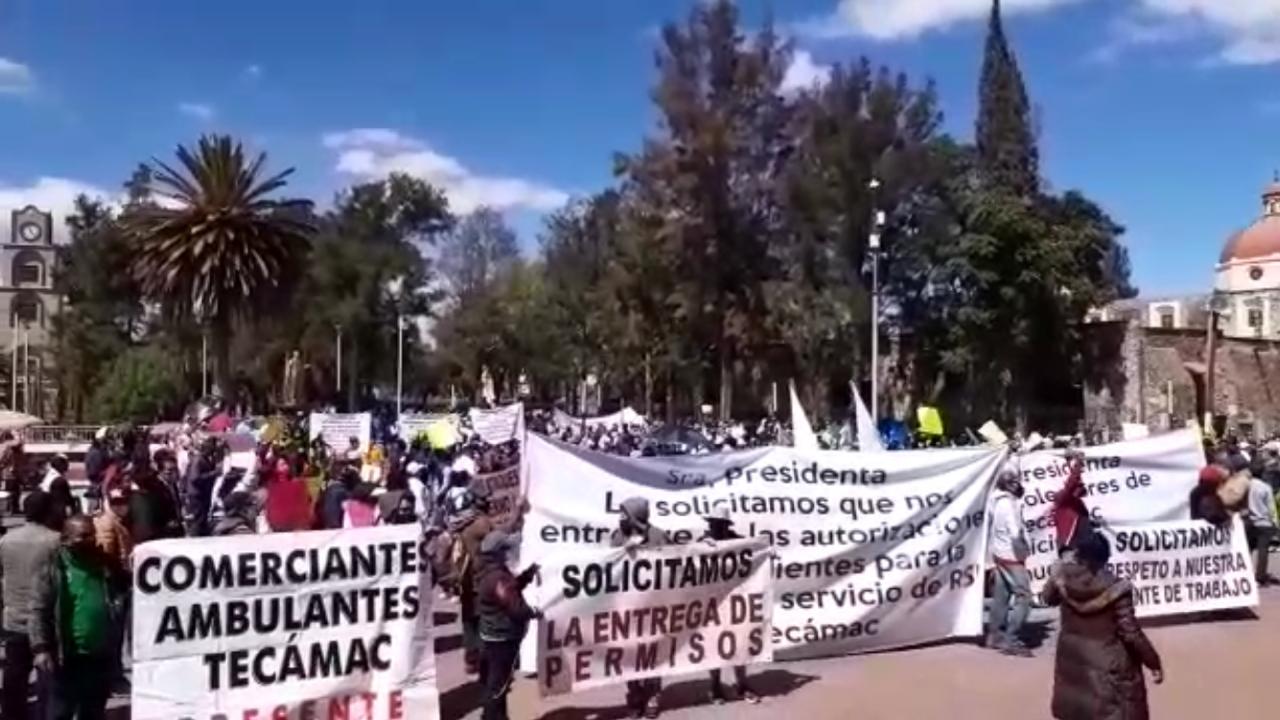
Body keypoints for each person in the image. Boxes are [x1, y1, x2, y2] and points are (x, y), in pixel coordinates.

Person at [1042, 532, 1164, 720]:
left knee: (1079, 710)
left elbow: (1047, 598)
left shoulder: (1063, 577)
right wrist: (1152, 661)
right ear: (1105, 557)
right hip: (1108, 664)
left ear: (1077, 554)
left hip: (1074, 660)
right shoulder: (1117, 589)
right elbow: (1130, 632)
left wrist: (1061, 568)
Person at [31, 515, 117, 720]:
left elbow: (124, 588)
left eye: (92, 535)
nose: (91, 540)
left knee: (94, 710)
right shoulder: (53, 567)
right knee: (60, 712)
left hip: (98, 655)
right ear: (67, 538)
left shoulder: (103, 563)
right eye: (83, 536)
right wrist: (41, 648)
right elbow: (38, 610)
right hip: (66, 657)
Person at [0, 491, 63, 719]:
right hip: (46, 621)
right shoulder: (55, 541)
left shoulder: (7, 540)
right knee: (48, 677)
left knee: (14, 676)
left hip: (14, 618)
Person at [610, 497, 667, 718]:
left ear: (635, 515)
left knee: (652, 653)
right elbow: (608, 565)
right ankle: (635, 695)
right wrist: (623, 551)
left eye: (624, 513)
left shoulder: (658, 536)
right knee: (628, 655)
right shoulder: (617, 536)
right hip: (625, 607)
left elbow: (678, 562)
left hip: (653, 606)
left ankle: (652, 695)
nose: (620, 518)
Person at [699, 503, 760, 704]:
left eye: (719, 524)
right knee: (714, 646)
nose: (716, 528)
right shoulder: (701, 543)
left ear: (726, 525)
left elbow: (755, 558)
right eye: (713, 524)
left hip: (735, 602)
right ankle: (715, 686)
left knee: (739, 643)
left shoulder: (739, 542)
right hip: (712, 603)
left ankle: (742, 684)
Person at [475, 530, 539, 720]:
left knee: (496, 683)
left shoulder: (493, 572)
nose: (510, 551)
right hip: (502, 639)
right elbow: (515, 607)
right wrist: (534, 612)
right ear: (499, 553)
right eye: (506, 549)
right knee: (498, 686)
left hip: (493, 636)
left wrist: (527, 576)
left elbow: (508, 590)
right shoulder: (498, 578)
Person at [987, 469, 1033, 657]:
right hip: (1011, 555)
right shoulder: (1009, 504)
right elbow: (1015, 532)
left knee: (1002, 594)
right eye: (1015, 482)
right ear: (1010, 485)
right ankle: (1011, 639)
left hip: (999, 552)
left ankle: (995, 635)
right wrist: (1024, 547)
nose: (1018, 485)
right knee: (1024, 596)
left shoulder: (995, 501)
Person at [1050, 450, 1091, 555]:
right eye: (1079, 486)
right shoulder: (1063, 500)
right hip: (1070, 545)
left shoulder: (1078, 503)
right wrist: (1078, 464)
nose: (1081, 487)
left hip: (1079, 544)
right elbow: (1071, 483)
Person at [1244, 470, 1278, 585]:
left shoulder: (1246, 486)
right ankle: (1260, 575)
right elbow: (1271, 507)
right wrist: (1275, 522)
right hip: (1264, 522)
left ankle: (1244, 571)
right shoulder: (1265, 487)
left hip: (1250, 521)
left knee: (1248, 549)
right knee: (1263, 551)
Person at [263, 456, 313, 533]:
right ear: (275, 468)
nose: (285, 466)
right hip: (279, 527)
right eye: (282, 465)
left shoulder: (298, 484)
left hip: (298, 527)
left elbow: (306, 502)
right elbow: (270, 506)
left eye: (286, 464)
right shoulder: (272, 486)